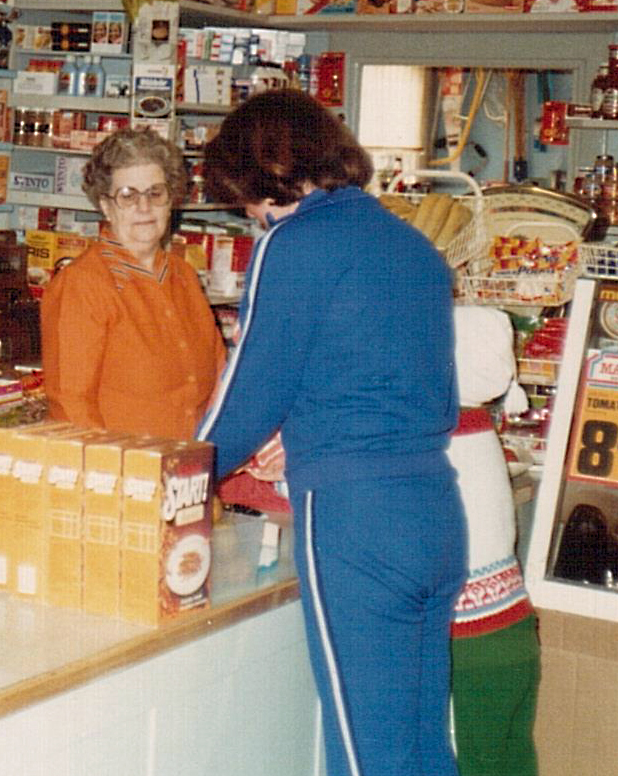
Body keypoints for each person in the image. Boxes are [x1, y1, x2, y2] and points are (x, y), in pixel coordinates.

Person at [194, 89, 465, 776]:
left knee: (367, 756)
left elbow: (248, 390)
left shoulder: (295, 244)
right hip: (434, 507)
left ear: (263, 174)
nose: (252, 218)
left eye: (246, 201)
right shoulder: (410, 245)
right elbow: (378, 377)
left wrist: (175, 480)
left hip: (356, 519)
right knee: (424, 747)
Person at [40, 127, 224, 441]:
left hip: (190, 469)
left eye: (156, 193)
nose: (144, 207)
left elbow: (220, 376)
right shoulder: (83, 285)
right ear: (106, 206)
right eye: (128, 196)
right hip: (123, 475)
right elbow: (71, 407)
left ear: (171, 199)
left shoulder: (183, 275)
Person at [447, 306, 540, 776]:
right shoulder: (480, 429)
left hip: (468, 645)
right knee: (513, 762)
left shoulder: (440, 438)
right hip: (515, 633)